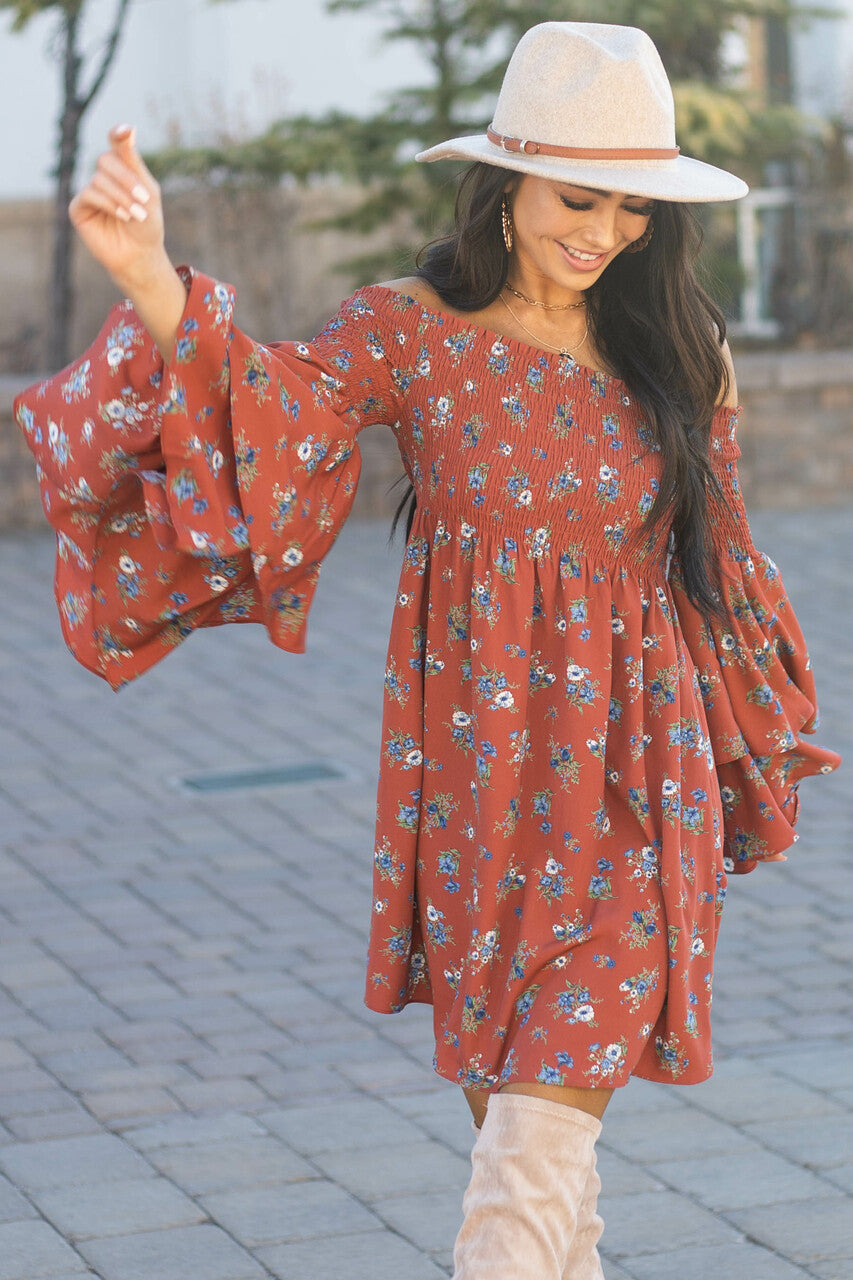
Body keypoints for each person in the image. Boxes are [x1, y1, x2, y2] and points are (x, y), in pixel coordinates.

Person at [15, 20, 841, 1280]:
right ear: (504, 187)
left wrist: (758, 735)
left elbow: (717, 563)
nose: (607, 232)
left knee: (538, 1127)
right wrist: (151, 280)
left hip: (634, 771)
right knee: (527, 1129)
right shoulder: (414, 333)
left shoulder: (678, 349)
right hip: (478, 778)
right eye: (579, 198)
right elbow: (270, 412)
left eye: (633, 208)